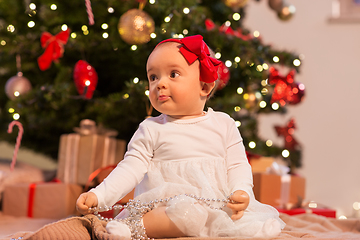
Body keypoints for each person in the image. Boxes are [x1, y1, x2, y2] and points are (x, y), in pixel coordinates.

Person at [76, 35, 285, 239]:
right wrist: (99, 195)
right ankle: (133, 227)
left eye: (173, 74)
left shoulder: (224, 124)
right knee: (187, 214)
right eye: (153, 77)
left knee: (252, 224)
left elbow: (238, 165)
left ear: (204, 86)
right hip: (163, 207)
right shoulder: (151, 128)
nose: (159, 84)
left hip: (215, 204)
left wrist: (241, 191)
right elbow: (129, 168)